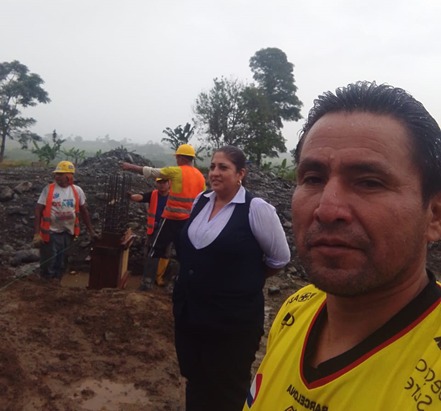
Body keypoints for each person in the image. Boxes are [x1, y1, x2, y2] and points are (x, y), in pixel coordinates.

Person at [243, 81, 441, 411]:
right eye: (313, 178)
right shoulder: (296, 309)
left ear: (434, 215)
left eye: (369, 182)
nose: (327, 209)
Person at [173, 145, 291, 411]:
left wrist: (242, 280)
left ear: (240, 174)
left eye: (223, 167)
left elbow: (279, 259)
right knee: (195, 379)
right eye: (212, 166)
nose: (214, 172)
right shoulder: (201, 201)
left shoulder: (256, 209)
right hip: (191, 315)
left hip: (232, 322)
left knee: (227, 387)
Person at [121, 144, 206, 261]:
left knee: (156, 249)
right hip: (187, 221)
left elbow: (152, 172)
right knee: (182, 251)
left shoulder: (176, 171)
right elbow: (202, 199)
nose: (176, 160)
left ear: (181, 158)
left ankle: (151, 271)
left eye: (177, 158)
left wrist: (130, 166)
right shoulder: (201, 177)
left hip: (171, 219)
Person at [33, 161, 98, 281]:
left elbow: (84, 211)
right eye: (56, 174)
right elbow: (38, 210)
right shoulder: (49, 189)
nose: (57, 177)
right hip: (51, 233)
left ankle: (57, 282)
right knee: (49, 261)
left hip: (68, 233)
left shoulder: (77, 191)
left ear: (69, 176)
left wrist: (91, 231)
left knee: (62, 261)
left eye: (60, 174)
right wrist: (37, 234)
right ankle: (46, 283)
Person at [128, 177, 170, 288]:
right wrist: (132, 197)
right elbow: (142, 197)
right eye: (159, 182)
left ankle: (158, 277)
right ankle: (148, 277)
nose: (162, 185)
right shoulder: (153, 194)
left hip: (167, 229)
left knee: (165, 252)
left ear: (169, 183)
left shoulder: (173, 196)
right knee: (151, 252)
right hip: (153, 229)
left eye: (164, 182)